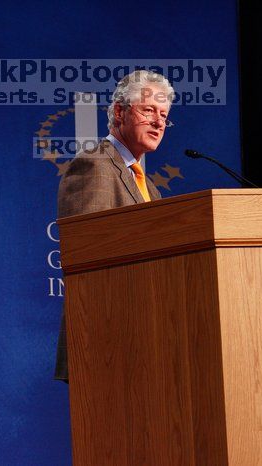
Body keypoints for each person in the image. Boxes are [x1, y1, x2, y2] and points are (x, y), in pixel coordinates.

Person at [54, 70, 175, 382]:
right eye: (148, 110)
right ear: (120, 112)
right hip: (107, 343)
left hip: (146, 339)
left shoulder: (149, 185)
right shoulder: (94, 165)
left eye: (164, 115)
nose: (159, 122)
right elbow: (88, 261)